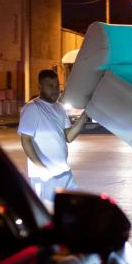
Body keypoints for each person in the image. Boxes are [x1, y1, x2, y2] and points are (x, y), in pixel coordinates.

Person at [18, 69, 89, 205]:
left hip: (64, 173)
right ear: (39, 86)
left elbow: (68, 137)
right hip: (45, 177)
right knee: (48, 217)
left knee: (72, 211)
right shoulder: (33, 108)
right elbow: (26, 140)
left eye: (57, 85)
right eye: (49, 86)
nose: (55, 89)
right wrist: (41, 168)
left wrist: (84, 116)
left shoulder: (60, 108)